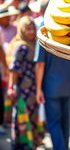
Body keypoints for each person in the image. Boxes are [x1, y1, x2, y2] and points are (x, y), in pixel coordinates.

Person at [35, 45, 70, 150]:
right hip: (69, 87)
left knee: (53, 123)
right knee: (65, 123)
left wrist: (38, 89)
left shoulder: (44, 37)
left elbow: (40, 64)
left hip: (51, 88)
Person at [7, 16, 43, 149]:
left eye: (33, 28)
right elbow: (14, 70)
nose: (31, 32)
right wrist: (10, 87)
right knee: (22, 119)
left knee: (32, 119)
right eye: (27, 29)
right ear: (21, 30)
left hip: (33, 90)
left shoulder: (34, 45)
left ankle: (31, 144)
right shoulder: (21, 47)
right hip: (23, 91)